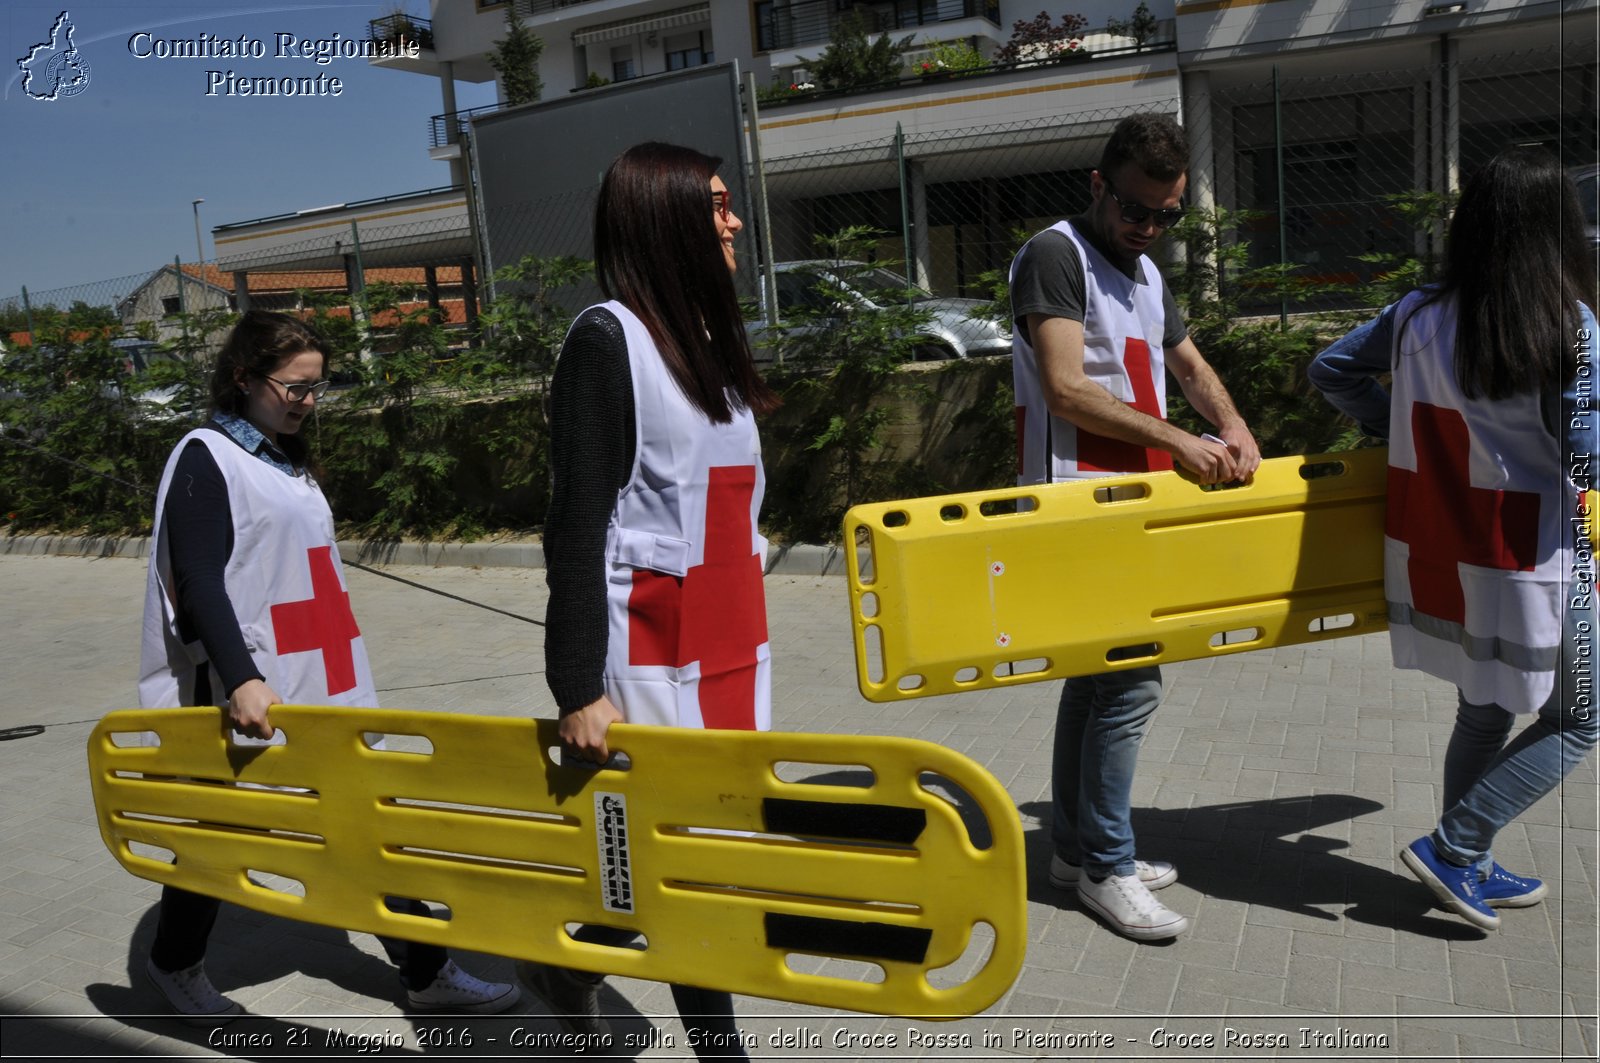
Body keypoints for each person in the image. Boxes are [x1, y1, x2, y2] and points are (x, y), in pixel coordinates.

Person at [137, 310, 519, 1021]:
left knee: (364, 824)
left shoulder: (284, 456)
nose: (308, 401)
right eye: (294, 387)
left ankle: (424, 967)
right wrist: (243, 676)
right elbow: (198, 578)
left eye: (318, 387)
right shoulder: (205, 456)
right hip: (251, 687)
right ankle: (173, 963)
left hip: (324, 678)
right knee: (220, 831)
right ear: (245, 378)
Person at [522, 142, 779, 1052]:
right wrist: (576, 685)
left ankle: (566, 961)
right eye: (714, 203)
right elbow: (576, 526)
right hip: (653, 659)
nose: (734, 219)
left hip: (727, 651)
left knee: (686, 865)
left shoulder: (705, 345)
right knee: (683, 869)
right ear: (665, 216)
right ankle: (722, 1049)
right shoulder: (607, 342)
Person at [1309, 146, 1599, 931]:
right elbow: (1590, 458)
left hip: (1441, 548)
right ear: (1557, 230)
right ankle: (1455, 842)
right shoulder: (1568, 324)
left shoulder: (1415, 312)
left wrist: (1390, 425)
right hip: (1536, 553)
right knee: (1584, 715)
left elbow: (1330, 367)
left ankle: (1463, 860)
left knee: (1485, 710)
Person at [1009, 112, 1261, 942]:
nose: (1149, 227)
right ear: (1097, 187)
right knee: (1130, 683)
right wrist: (1182, 439)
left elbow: (1186, 363)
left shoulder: (1147, 271)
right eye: (1136, 210)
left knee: (1097, 680)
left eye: (1167, 214)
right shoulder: (1057, 255)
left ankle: (1075, 851)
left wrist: (1231, 424)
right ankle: (1109, 868)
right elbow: (1064, 388)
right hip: (1077, 501)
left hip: (1134, 504)